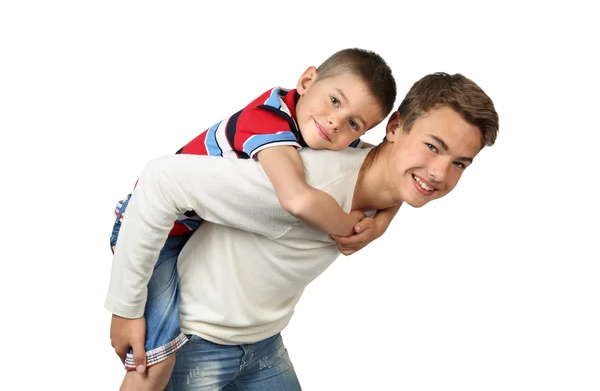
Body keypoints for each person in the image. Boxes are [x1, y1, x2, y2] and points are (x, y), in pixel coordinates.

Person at [106, 72, 499, 390]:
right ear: (394, 127)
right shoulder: (305, 182)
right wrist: (126, 307)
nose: (440, 174)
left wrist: (383, 221)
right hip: (197, 343)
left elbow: (387, 183)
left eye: (459, 164)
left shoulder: (383, 180)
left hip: (264, 342)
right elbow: (162, 179)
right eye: (433, 146)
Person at [108, 48, 398, 374]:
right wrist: (125, 309)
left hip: (196, 233)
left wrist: (383, 221)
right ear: (306, 80)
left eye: (354, 124)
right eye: (334, 101)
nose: (336, 122)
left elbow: (391, 170)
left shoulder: (325, 134)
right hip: (157, 226)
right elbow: (297, 198)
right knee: (154, 366)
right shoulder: (268, 118)